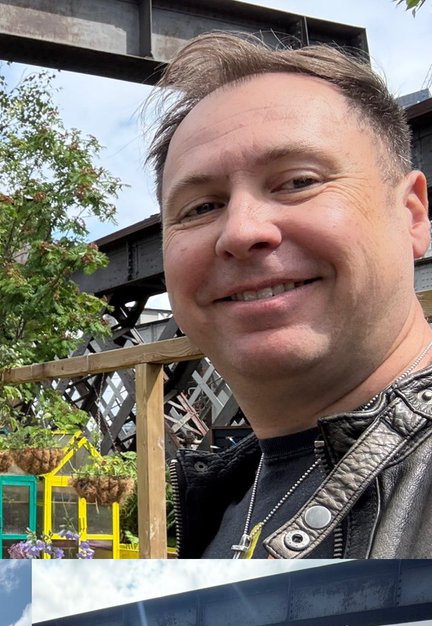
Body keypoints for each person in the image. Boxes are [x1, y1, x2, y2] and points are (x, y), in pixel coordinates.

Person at [148, 34, 432, 558]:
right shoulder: (227, 498)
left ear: (412, 216)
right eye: (200, 208)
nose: (241, 231)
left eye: (299, 181)